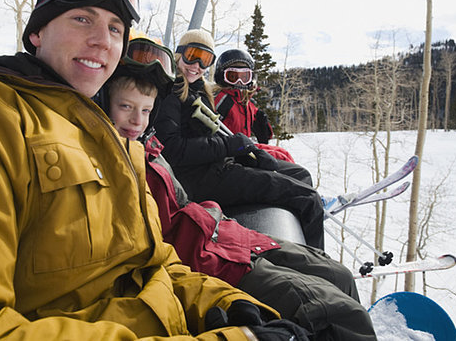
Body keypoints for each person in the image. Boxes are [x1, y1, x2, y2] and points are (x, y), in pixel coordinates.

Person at [0, 0, 306, 340]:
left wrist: (220, 304)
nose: (103, 41)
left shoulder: (114, 139)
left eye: (115, 28)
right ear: (37, 32)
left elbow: (154, 262)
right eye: (83, 20)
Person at [103, 39, 377, 340]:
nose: (136, 120)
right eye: (126, 107)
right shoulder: (119, 161)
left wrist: (250, 148)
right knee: (344, 315)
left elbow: (180, 201)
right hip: (207, 249)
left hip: (220, 232)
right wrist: (228, 147)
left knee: (339, 276)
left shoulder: (149, 148)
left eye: (144, 111)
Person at [153, 29, 325, 249]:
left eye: (204, 59)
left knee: (299, 174)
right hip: (200, 180)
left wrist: (248, 153)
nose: (196, 65)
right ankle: (315, 265)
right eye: (192, 55)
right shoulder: (171, 93)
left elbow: (215, 135)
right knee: (308, 198)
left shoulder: (199, 91)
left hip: (217, 167)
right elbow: (173, 150)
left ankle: (301, 237)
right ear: (179, 54)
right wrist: (229, 146)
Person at [213, 48, 295, 163]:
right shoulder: (222, 99)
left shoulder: (244, 101)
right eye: (233, 76)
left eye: (244, 77)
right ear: (222, 77)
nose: (239, 82)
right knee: (280, 158)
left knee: (283, 154)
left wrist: (262, 125)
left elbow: (261, 128)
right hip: (231, 152)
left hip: (245, 147)